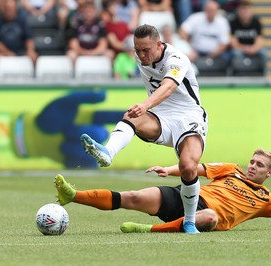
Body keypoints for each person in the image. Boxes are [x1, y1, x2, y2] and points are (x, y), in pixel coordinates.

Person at [80, 24, 208, 234]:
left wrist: (146, 104)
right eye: (136, 50)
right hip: (161, 117)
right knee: (131, 116)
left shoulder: (177, 59)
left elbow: (168, 87)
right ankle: (107, 153)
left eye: (145, 50)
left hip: (189, 116)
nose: (140, 55)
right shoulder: (141, 57)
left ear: (159, 44)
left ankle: (189, 221)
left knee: (187, 166)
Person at [54, 148, 271, 233]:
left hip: (204, 216)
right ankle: (73, 196)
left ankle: (148, 230)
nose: (251, 166)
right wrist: (169, 169)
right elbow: (195, 168)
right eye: (252, 161)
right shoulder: (231, 169)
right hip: (187, 197)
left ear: (269, 173)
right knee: (131, 197)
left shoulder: (266, 199)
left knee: (209, 217)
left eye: (259, 165)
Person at [178, 0, 231, 65]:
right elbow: (182, 31)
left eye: (213, 11)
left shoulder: (222, 22)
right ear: (205, 10)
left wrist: (213, 54)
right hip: (196, 52)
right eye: (209, 10)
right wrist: (189, 48)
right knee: (183, 55)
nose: (211, 13)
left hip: (216, 53)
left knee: (227, 56)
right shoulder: (196, 18)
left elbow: (225, 43)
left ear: (217, 11)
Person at [229, 0, 267, 74]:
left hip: (253, 49)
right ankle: (237, 74)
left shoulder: (257, 22)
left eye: (247, 9)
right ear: (238, 10)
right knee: (236, 53)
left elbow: (260, 40)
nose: (245, 12)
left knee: (263, 53)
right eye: (243, 9)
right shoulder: (233, 22)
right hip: (240, 49)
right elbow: (233, 43)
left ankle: (262, 74)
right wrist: (245, 49)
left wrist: (254, 49)